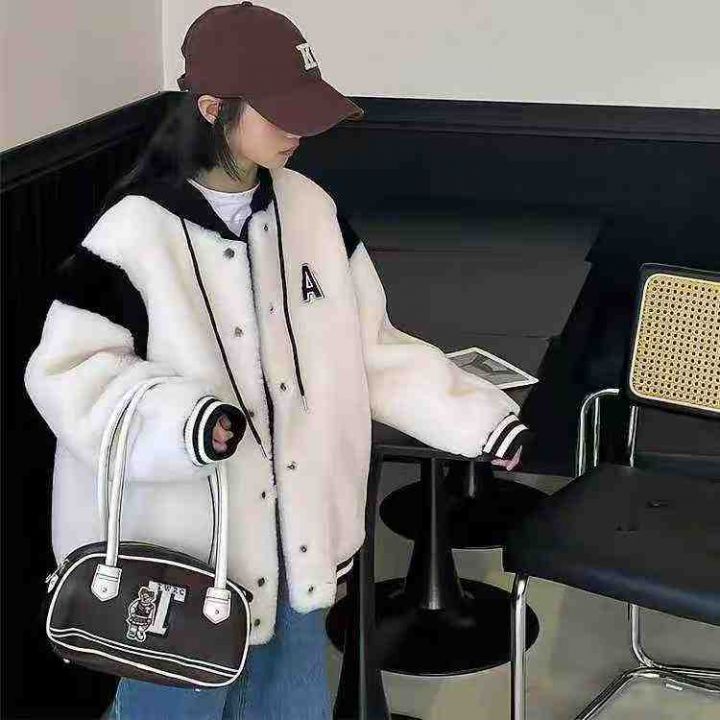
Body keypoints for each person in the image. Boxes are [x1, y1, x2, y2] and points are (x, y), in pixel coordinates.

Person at [24, 3, 529, 718]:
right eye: (281, 112)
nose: (300, 130)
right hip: (181, 567)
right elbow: (68, 374)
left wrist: (478, 421)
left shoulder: (313, 211)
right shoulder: (133, 232)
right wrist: (189, 422)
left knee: (292, 707)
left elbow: (370, 348)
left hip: (300, 548)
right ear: (212, 108)